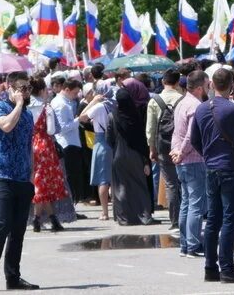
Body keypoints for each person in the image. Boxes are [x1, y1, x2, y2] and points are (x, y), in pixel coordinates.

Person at [190, 68, 234, 284]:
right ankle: (227, 267)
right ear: (232, 85)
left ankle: (210, 267)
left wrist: (208, 155)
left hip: (211, 167)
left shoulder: (201, 109)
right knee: (230, 219)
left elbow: (195, 140)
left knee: (213, 220)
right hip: (230, 167)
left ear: (211, 85)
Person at [0, 71, 39, 292]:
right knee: (2, 224)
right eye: (22, 89)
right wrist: (17, 105)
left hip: (22, 176)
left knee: (18, 229)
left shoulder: (28, 115)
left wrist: (32, 173)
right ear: (10, 89)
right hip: (0, 174)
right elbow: (6, 126)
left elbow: (29, 146)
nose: (26, 93)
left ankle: (13, 276)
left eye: (28, 89)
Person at [170, 70, 209, 258]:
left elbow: (177, 132)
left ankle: (186, 245)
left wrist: (176, 151)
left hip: (182, 159)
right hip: (192, 159)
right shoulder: (195, 105)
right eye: (207, 85)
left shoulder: (181, 102)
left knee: (186, 202)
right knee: (195, 204)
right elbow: (191, 135)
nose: (209, 88)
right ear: (200, 87)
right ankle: (193, 245)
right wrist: (181, 152)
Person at [108, 78, 157, 226]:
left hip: (118, 154)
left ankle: (123, 218)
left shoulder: (112, 116)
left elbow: (108, 138)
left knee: (120, 186)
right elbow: (141, 139)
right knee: (139, 185)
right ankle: (144, 215)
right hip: (136, 155)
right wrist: (145, 160)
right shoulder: (135, 116)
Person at [28, 76, 67, 233]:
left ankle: (48, 219)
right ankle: (42, 220)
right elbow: (51, 130)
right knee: (44, 185)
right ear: (43, 90)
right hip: (44, 145)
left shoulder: (25, 106)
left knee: (39, 183)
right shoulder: (46, 107)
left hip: (29, 144)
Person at [146, 69, 183, 232]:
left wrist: (151, 148)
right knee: (184, 183)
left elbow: (151, 128)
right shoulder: (183, 99)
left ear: (162, 82)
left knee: (170, 184)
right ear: (177, 83)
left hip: (162, 145)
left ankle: (174, 220)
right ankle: (186, 217)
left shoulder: (155, 101)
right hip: (181, 146)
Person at [80, 82, 114, 221]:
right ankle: (118, 209)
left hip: (101, 141)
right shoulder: (114, 104)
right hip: (114, 142)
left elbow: (82, 117)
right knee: (114, 178)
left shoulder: (99, 107)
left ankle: (105, 212)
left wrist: (93, 102)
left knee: (103, 179)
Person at [51, 79, 87, 204]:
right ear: (67, 90)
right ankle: (71, 205)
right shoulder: (61, 104)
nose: (76, 95)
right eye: (75, 92)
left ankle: (73, 205)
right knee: (70, 177)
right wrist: (79, 120)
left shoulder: (65, 102)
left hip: (71, 143)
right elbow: (63, 128)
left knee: (74, 177)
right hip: (67, 144)